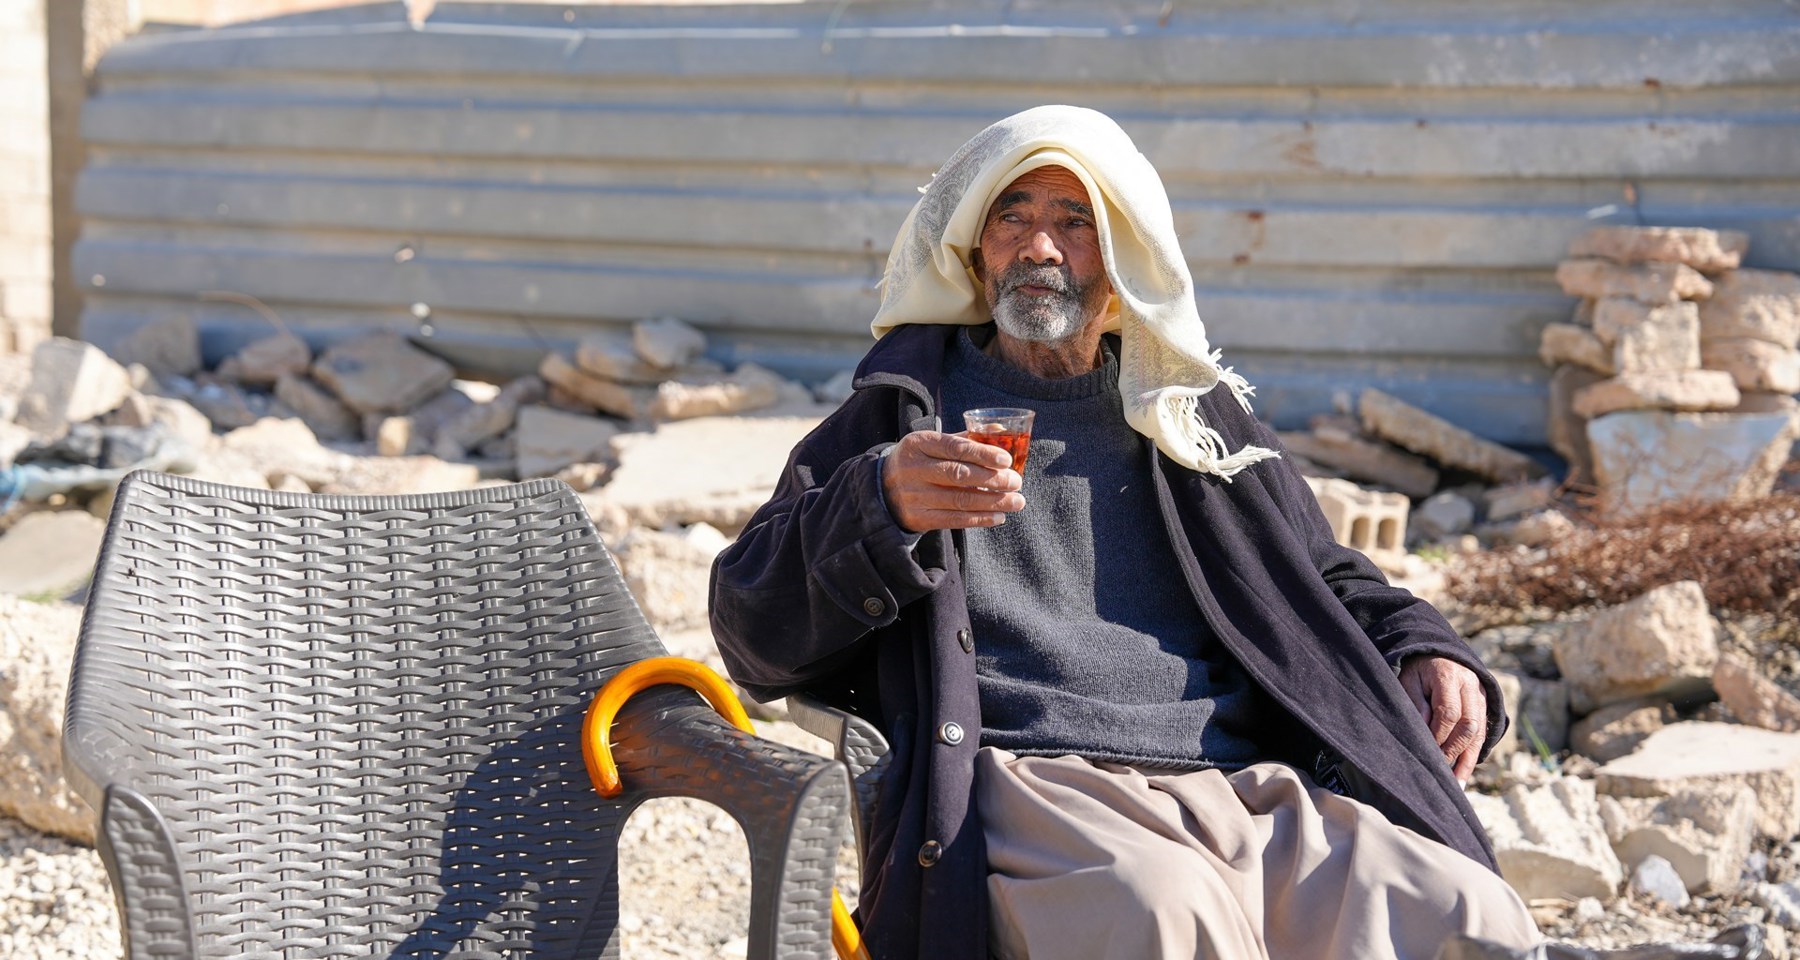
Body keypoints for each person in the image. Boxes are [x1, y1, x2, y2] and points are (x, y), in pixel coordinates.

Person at [707, 106, 1760, 960]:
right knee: (1164, 917)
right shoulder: (899, 416)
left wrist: (1427, 645)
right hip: (1035, 781)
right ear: (974, 250)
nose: (1040, 246)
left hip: (1238, 783)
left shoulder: (1188, 417)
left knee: (1459, 914)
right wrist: (877, 506)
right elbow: (750, 625)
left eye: (1076, 223)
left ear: (1121, 258)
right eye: (1013, 215)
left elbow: (1320, 573)